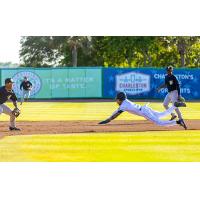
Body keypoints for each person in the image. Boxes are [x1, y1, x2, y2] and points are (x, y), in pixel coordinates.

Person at [99, 92, 187, 129]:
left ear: (120, 99)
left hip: (144, 112)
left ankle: (178, 122)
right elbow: (116, 112)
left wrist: (107, 120)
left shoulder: (123, 105)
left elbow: (115, 115)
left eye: (117, 99)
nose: (116, 100)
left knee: (159, 122)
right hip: (144, 108)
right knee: (160, 115)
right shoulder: (125, 102)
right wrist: (108, 119)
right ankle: (174, 106)